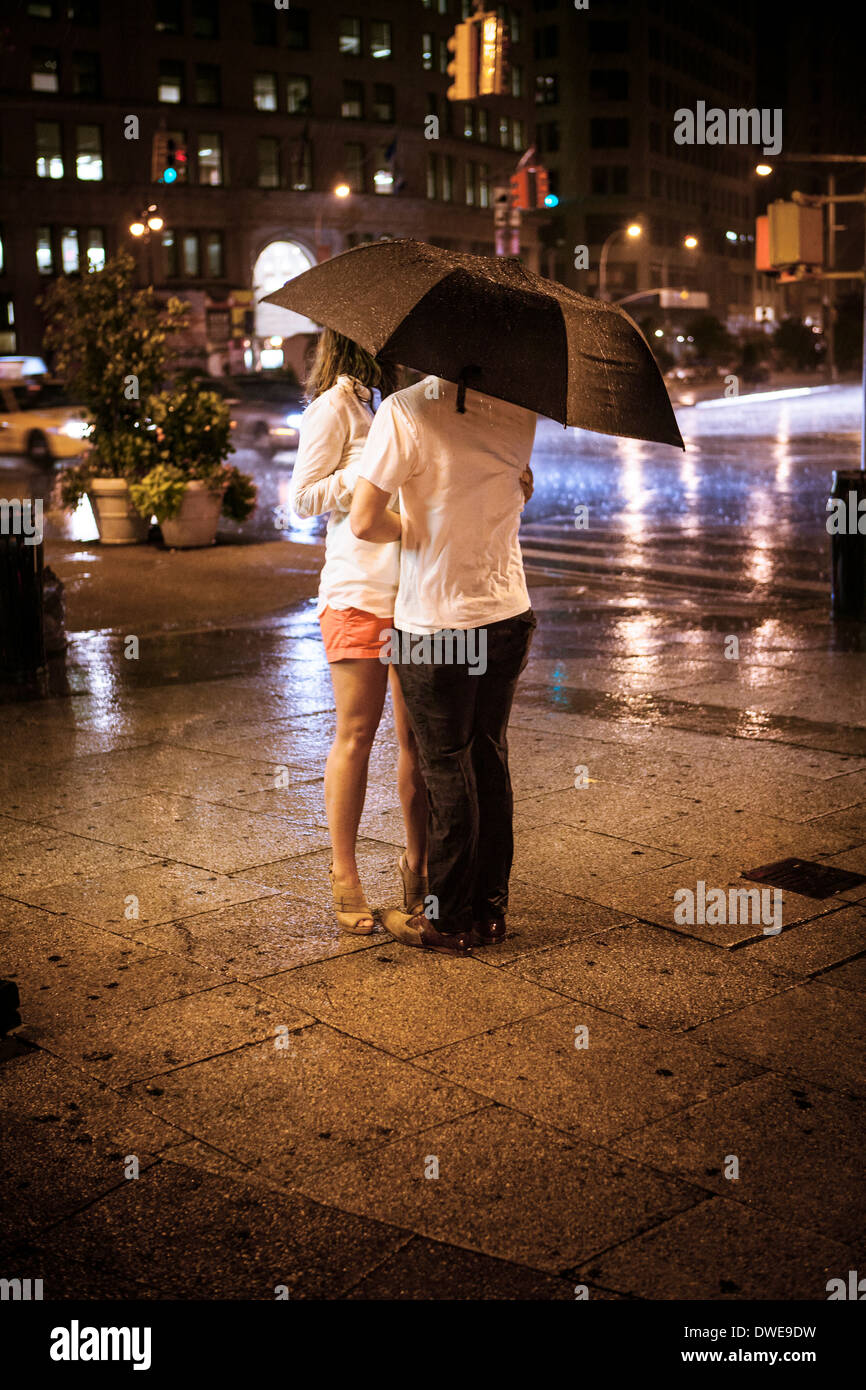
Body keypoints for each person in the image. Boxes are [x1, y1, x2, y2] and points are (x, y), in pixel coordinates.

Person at [350, 374, 536, 957]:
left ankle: (446, 919)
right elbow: (515, 491)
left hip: (435, 623)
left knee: (446, 767)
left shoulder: (405, 410)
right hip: (507, 611)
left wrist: (414, 528)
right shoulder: (519, 406)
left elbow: (363, 520)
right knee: (489, 755)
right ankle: (490, 914)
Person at [290, 329, 427, 934]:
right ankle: (344, 873)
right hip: (358, 592)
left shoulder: (406, 402)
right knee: (355, 732)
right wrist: (361, 477)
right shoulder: (334, 407)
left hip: (420, 594)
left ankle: (417, 865)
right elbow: (301, 500)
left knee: (417, 741)